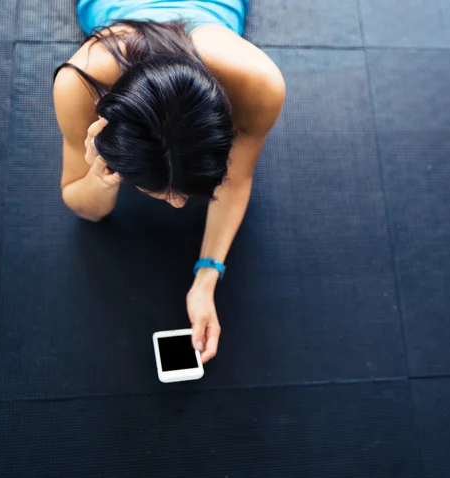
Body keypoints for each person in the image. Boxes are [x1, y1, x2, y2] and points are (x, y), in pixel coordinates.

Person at [52, 0, 286, 364]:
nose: (178, 205)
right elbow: (85, 208)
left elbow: (236, 179)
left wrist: (207, 277)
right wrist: (100, 175)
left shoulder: (259, 84)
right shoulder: (80, 83)